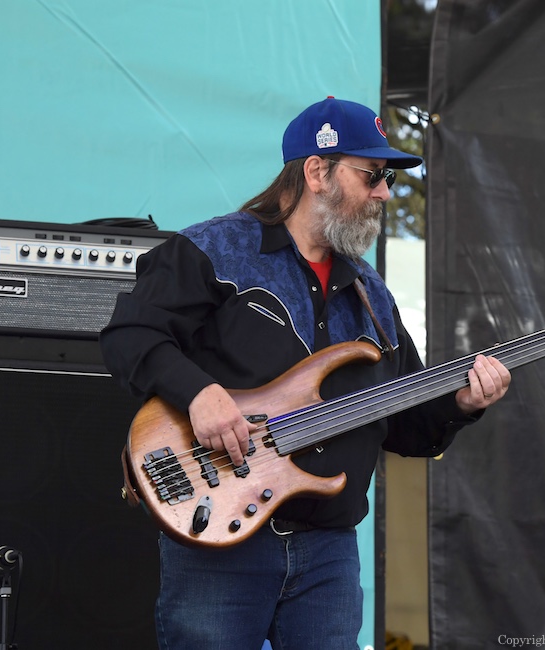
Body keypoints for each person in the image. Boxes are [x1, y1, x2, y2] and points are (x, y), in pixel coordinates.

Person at [100, 96, 511, 650]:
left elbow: (405, 428)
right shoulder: (213, 250)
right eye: (372, 175)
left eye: (386, 179)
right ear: (317, 172)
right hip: (220, 538)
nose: (384, 192)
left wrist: (463, 404)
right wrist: (200, 394)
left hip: (328, 555)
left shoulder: (374, 299)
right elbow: (131, 336)